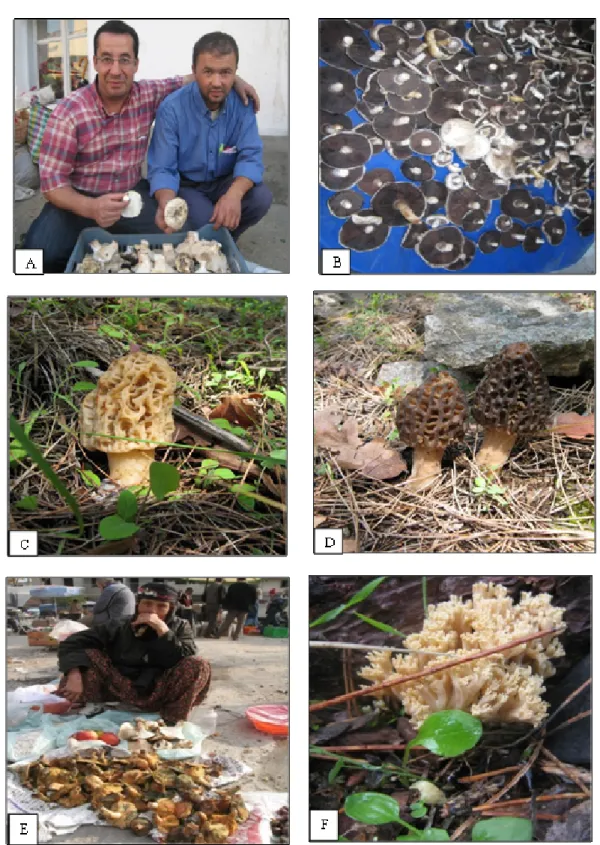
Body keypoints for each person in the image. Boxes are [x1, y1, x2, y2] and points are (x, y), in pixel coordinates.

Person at [24, 20, 259, 272]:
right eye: (106, 59)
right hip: (77, 200)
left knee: (181, 232)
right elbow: (52, 185)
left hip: (130, 197)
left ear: (136, 64)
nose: (116, 70)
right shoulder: (68, 112)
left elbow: (198, 78)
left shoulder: (146, 94)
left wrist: (234, 80)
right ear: (94, 62)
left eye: (125, 59)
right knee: (34, 259)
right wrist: (92, 207)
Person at [148, 32, 272, 239]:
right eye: (208, 72)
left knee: (260, 198)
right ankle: (220, 241)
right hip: (188, 186)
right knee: (206, 220)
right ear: (194, 71)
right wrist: (168, 204)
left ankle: (228, 240)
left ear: (235, 73)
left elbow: (250, 156)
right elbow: (163, 167)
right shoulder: (172, 109)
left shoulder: (242, 105)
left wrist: (234, 195)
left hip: (225, 181)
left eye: (225, 73)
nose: (216, 82)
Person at [57, 582, 210, 723]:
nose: (152, 611)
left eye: (161, 606)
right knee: (87, 655)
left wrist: (163, 631)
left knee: (198, 664)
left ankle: (171, 721)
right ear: (138, 605)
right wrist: (74, 675)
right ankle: (96, 707)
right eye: (147, 604)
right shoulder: (119, 624)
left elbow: (185, 657)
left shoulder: (181, 626)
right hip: (118, 687)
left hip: (158, 691)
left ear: (171, 609)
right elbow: (73, 642)